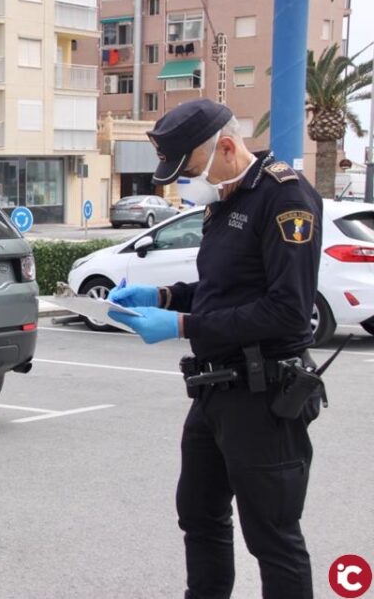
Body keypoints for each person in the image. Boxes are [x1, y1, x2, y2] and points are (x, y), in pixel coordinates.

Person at [108, 100, 324, 599]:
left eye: (187, 169)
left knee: (273, 537)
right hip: (214, 390)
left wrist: (182, 324)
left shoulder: (285, 199)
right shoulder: (224, 197)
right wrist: (162, 297)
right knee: (199, 514)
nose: (185, 182)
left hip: (265, 392)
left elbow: (288, 312)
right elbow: (224, 288)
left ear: (226, 147)